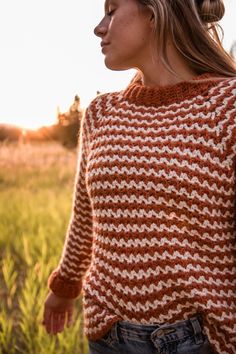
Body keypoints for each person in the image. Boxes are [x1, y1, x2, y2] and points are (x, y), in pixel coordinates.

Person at [42, 0, 236, 353]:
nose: (99, 27)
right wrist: (64, 287)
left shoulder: (226, 108)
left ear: (154, 11)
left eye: (112, 10)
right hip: (108, 334)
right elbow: (87, 217)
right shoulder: (101, 113)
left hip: (198, 340)